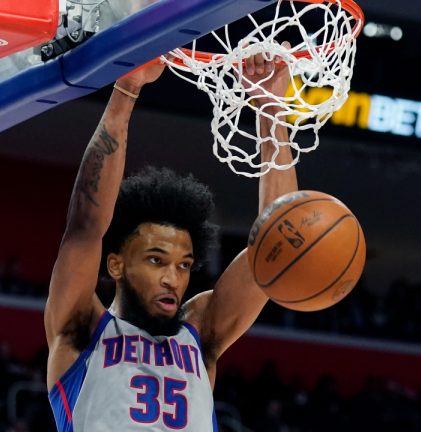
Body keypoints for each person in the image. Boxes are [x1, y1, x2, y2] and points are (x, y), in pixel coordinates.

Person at [45, 48, 297, 431]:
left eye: (183, 265)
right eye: (156, 260)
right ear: (116, 264)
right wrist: (127, 88)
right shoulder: (82, 330)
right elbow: (85, 225)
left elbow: (275, 242)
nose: (172, 279)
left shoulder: (199, 331)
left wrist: (270, 108)